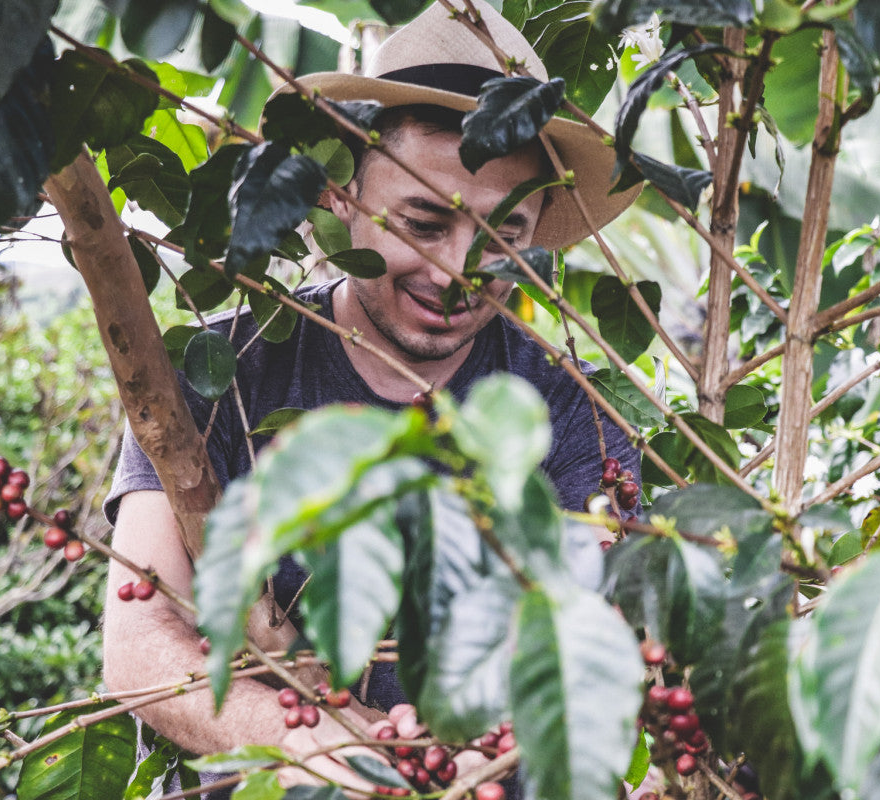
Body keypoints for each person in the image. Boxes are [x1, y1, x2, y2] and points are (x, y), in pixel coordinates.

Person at [101, 0, 644, 795]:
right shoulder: (220, 372)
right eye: (425, 221)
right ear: (340, 194)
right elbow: (139, 641)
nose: (459, 270)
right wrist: (332, 753)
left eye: (503, 237)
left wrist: (474, 762)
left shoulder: (570, 413)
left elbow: (598, 652)